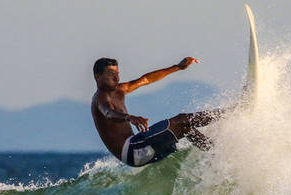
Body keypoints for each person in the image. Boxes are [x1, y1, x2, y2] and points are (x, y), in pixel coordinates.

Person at [90, 56, 221, 167]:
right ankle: (229, 113)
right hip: (132, 151)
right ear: (98, 76)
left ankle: (217, 155)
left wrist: (177, 67)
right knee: (181, 120)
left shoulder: (120, 90)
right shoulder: (100, 98)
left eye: (117, 73)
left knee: (185, 128)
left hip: (138, 147)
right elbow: (108, 112)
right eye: (111, 74)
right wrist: (129, 117)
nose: (116, 78)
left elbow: (145, 79)